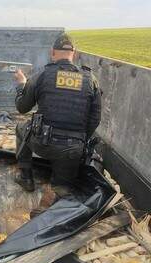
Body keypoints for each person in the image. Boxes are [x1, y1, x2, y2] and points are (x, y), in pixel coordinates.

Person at [14, 33, 102, 196]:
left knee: (20, 128)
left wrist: (21, 85)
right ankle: (59, 194)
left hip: (42, 143)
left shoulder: (41, 76)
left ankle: (26, 177)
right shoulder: (90, 80)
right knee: (62, 190)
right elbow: (95, 119)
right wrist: (80, 140)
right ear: (74, 54)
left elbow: (22, 108)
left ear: (52, 52)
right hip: (72, 151)